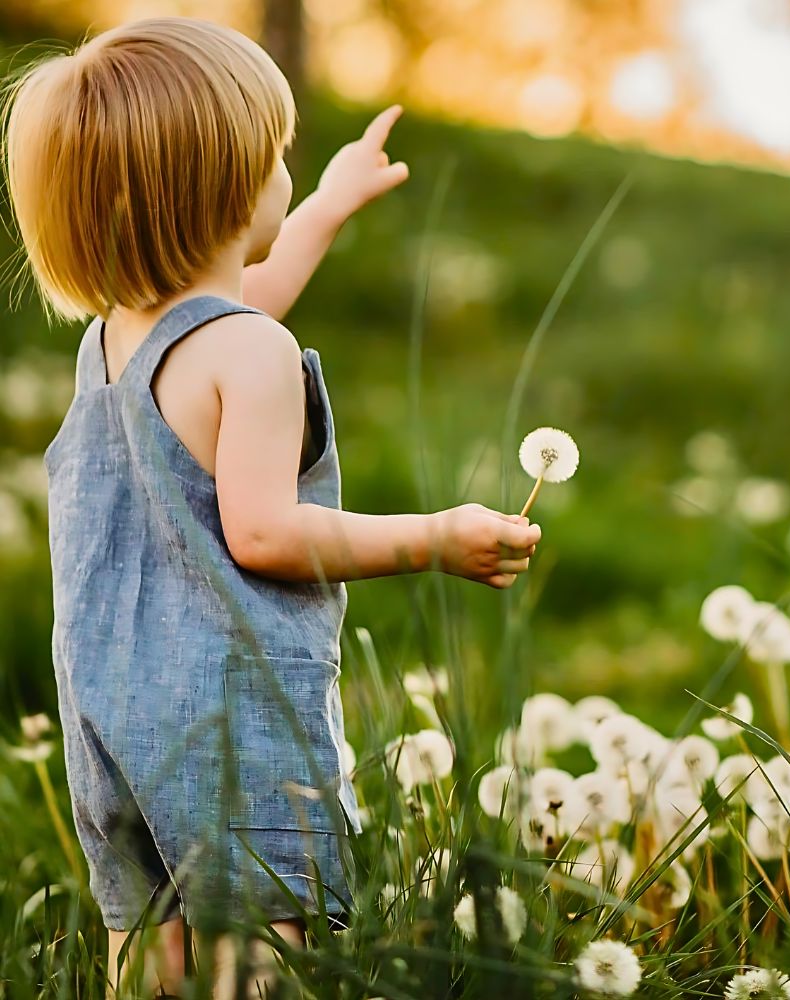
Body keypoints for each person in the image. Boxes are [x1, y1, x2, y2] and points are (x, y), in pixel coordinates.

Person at [1, 16, 541, 997]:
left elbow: (253, 291)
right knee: (264, 943)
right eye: (279, 158)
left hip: (106, 708)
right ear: (228, 190)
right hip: (223, 706)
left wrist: (329, 204)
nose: (285, 176)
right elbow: (263, 533)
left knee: (147, 938)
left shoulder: (121, 338)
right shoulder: (250, 355)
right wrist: (434, 538)